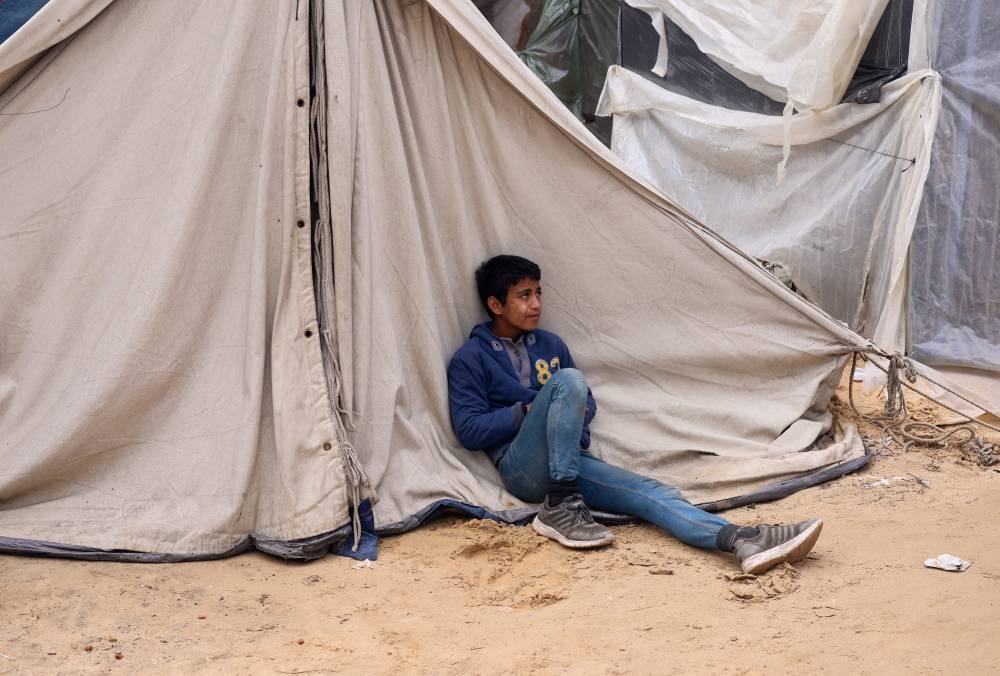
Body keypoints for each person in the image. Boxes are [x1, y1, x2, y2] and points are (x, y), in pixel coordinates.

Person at [446, 254, 823, 575]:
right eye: (523, 295)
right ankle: (560, 507)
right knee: (568, 380)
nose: (536, 304)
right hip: (521, 469)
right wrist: (529, 412)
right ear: (496, 305)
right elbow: (469, 429)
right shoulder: (471, 358)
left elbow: (584, 402)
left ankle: (741, 539)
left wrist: (566, 423)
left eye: (539, 293)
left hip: (569, 463)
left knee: (650, 493)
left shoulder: (551, 344)